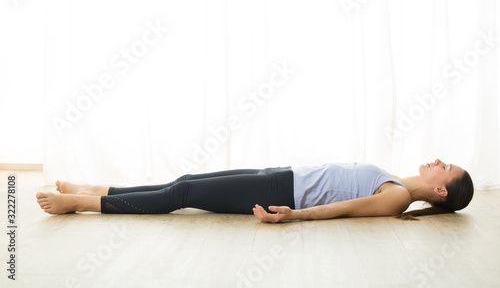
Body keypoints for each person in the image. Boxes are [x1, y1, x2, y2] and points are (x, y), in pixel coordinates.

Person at [35, 158, 474, 223]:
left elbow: (342, 208)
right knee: (185, 183)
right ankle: (98, 188)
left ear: (439, 187)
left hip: (284, 191)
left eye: (447, 165)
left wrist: (293, 215)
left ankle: (81, 202)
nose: (438, 157)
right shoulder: (395, 180)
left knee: (182, 195)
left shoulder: (397, 196)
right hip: (280, 173)